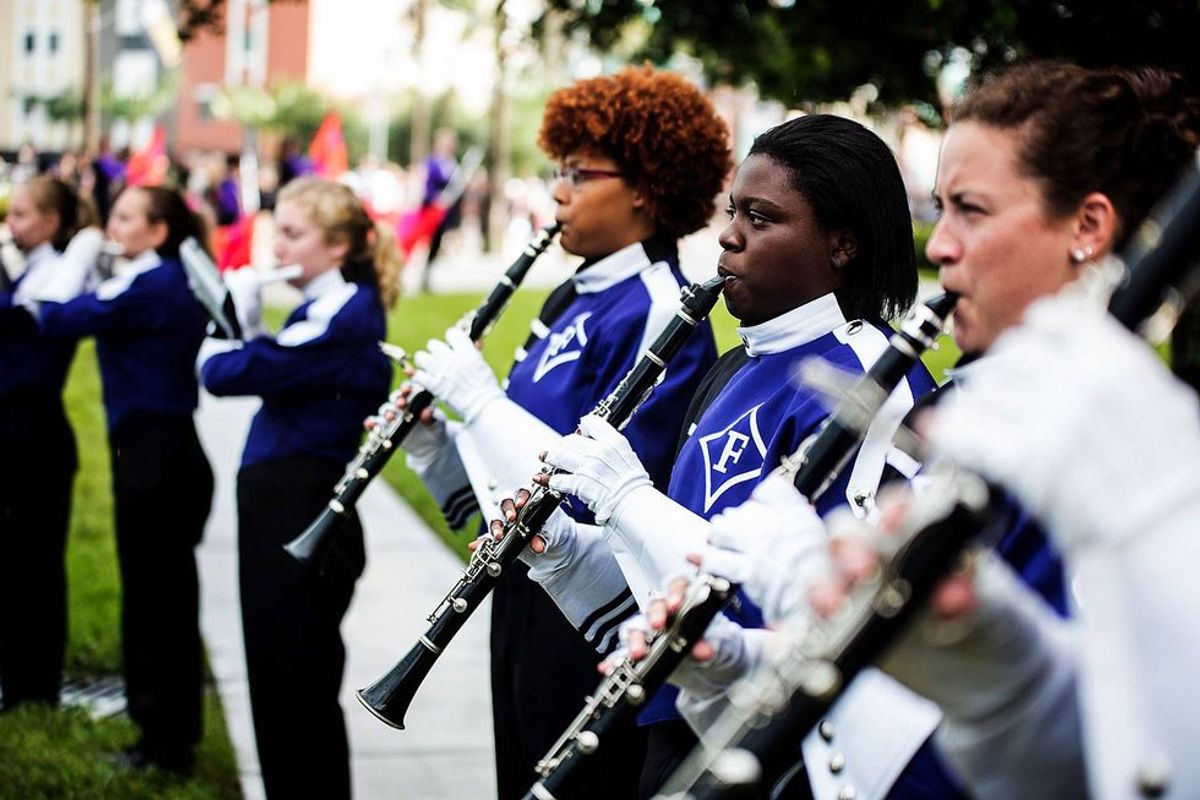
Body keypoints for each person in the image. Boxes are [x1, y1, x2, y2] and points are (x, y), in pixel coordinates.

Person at [654, 61, 1200, 800]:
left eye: (970, 211)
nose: (938, 246)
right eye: (940, 211)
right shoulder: (986, 405)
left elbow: (1133, 766)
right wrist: (746, 660)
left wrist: (801, 586)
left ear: (1088, 228)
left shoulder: (1129, 454)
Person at [502, 113, 951, 798]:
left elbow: (832, 612)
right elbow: (671, 584)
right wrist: (565, 555)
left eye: (762, 219)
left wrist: (629, 499)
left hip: (777, 751)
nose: (729, 235)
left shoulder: (866, 376)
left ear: (842, 243)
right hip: (680, 718)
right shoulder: (736, 365)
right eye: (733, 210)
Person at [402, 65, 730, 799]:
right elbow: (506, 485)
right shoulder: (569, 297)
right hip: (522, 589)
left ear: (646, 185)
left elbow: (599, 496)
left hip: (589, 615)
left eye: (578, 174)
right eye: (558, 171)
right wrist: (436, 447)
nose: (557, 192)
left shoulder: (659, 308)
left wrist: (483, 402)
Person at [199, 177, 400, 799]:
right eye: (276, 231)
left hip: (300, 507)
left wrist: (229, 316)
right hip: (289, 503)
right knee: (288, 678)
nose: (277, 246)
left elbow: (225, 372)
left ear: (338, 246)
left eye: (293, 234)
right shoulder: (328, 301)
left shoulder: (343, 315)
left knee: (292, 681)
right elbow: (276, 365)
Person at [31, 185, 214, 774]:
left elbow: (53, 317)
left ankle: (163, 744)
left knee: (155, 598)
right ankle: (164, 732)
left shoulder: (153, 285)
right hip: (157, 450)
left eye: (125, 217)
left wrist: (80, 254)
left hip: (155, 456)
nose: (112, 226)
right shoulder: (155, 278)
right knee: (160, 595)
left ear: (158, 231)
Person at [0, 176, 101, 711]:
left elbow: (35, 316)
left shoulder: (60, 276)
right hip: (17, 434)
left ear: (52, 223)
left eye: (21, 215)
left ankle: (33, 686)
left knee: (34, 565)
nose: (11, 224)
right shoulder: (28, 270)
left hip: (34, 437)